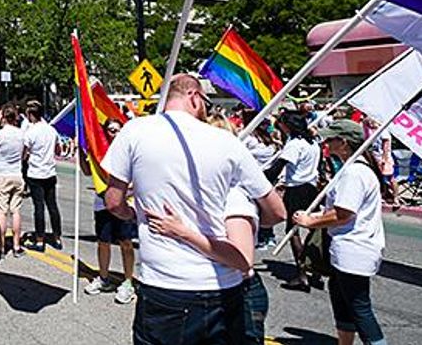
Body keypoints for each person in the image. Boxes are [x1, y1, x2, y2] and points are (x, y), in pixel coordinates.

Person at [102, 74, 285, 345]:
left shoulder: (135, 130)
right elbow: (277, 212)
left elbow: (113, 201)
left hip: (165, 284)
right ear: (194, 96)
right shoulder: (227, 142)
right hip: (223, 286)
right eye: (206, 102)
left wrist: (136, 214)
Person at [148, 114, 269, 344]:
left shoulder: (234, 196)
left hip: (241, 294)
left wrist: (183, 232)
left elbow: (243, 260)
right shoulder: (206, 190)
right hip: (211, 292)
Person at [293, 120, 387, 345]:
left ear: (344, 143)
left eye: (330, 139)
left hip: (353, 249)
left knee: (359, 309)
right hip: (347, 248)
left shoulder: (355, 172)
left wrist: (310, 221)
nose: (325, 143)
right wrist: (316, 216)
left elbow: (344, 214)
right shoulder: (354, 168)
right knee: (341, 301)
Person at [80, 118, 136, 304]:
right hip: (102, 203)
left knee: (126, 243)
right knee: (103, 241)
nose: (115, 133)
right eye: (111, 130)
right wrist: (81, 151)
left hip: (124, 204)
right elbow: (88, 171)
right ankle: (103, 278)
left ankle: (128, 282)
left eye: (118, 130)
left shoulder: (130, 152)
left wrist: (125, 192)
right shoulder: (100, 153)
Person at [273, 111, 322, 291]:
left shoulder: (294, 144)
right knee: (313, 227)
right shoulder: (313, 143)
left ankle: (302, 273)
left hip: (296, 189)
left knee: (292, 230)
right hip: (312, 187)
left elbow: (278, 167)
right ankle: (316, 269)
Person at [0, 105, 26, 257]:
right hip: (17, 174)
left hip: (2, 174)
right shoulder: (22, 134)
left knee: (1, 212)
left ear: (3, 117)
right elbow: (25, 153)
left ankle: (1, 246)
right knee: (16, 211)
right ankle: (16, 245)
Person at [23, 100, 62, 252]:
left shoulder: (31, 132)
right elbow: (58, 150)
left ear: (31, 115)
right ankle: (57, 237)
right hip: (50, 172)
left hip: (35, 173)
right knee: (52, 206)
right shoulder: (51, 130)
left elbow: (24, 153)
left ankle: (40, 240)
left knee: (39, 207)